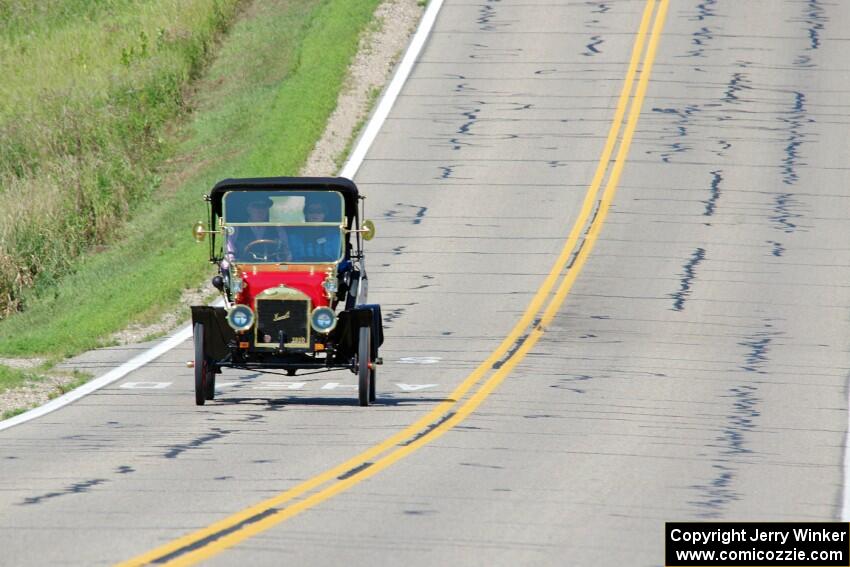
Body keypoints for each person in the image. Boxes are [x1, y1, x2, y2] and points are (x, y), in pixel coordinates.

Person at [226, 196, 290, 262]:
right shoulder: (237, 228)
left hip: (271, 266)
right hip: (244, 266)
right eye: (256, 206)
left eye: (264, 206)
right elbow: (229, 252)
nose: (260, 210)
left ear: (267, 210)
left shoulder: (277, 229)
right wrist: (231, 261)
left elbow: (286, 251)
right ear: (248, 209)